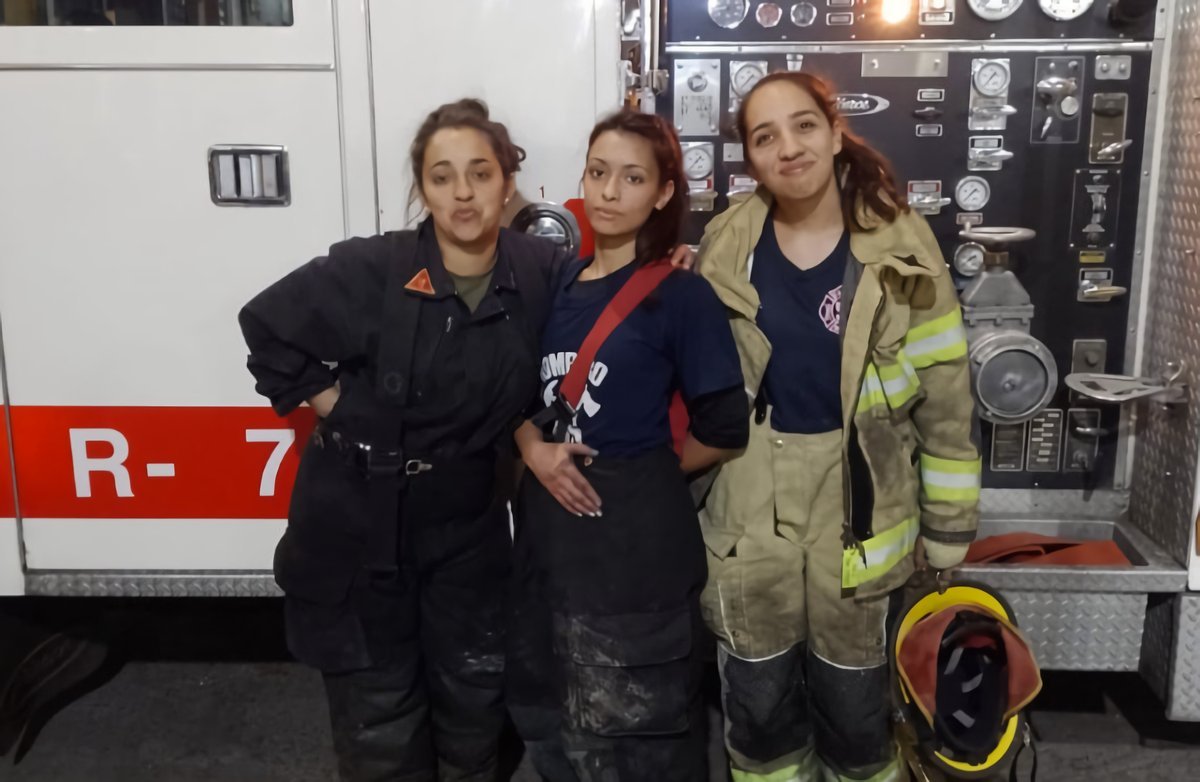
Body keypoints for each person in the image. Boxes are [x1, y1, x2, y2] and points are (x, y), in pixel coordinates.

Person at [239, 99, 568, 782]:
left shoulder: (540, 271)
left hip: (468, 527)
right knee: (381, 719)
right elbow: (266, 326)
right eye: (442, 176)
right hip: (362, 528)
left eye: (480, 173)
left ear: (508, 184)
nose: (463, 193)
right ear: (423, 188)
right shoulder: (372, 269)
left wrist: (673, 264)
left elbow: (607, 296)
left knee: (475, 705)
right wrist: (342, 407)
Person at [696, 71, 981, 782]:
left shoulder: (903, 249)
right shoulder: (723, 246)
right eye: (765, 137)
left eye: (802, 126)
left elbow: (945, 396)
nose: (787, 148)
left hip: (860, 504)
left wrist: (947, 530)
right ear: (749, 157)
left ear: (832, 130)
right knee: (758, 702)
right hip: (748, 500)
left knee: (856, 705)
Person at [507, 110, 749, 781]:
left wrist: (646, 475)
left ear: (664, 193)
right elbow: (506, 394)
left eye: (633, 177)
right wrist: (532, 448)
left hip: (637, 571)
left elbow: (725, 427)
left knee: (644, 749)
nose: (610, 192)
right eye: (599, 172)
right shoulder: (550, 283)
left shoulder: (681, 295)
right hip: (546, 561)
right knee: (554, 732)